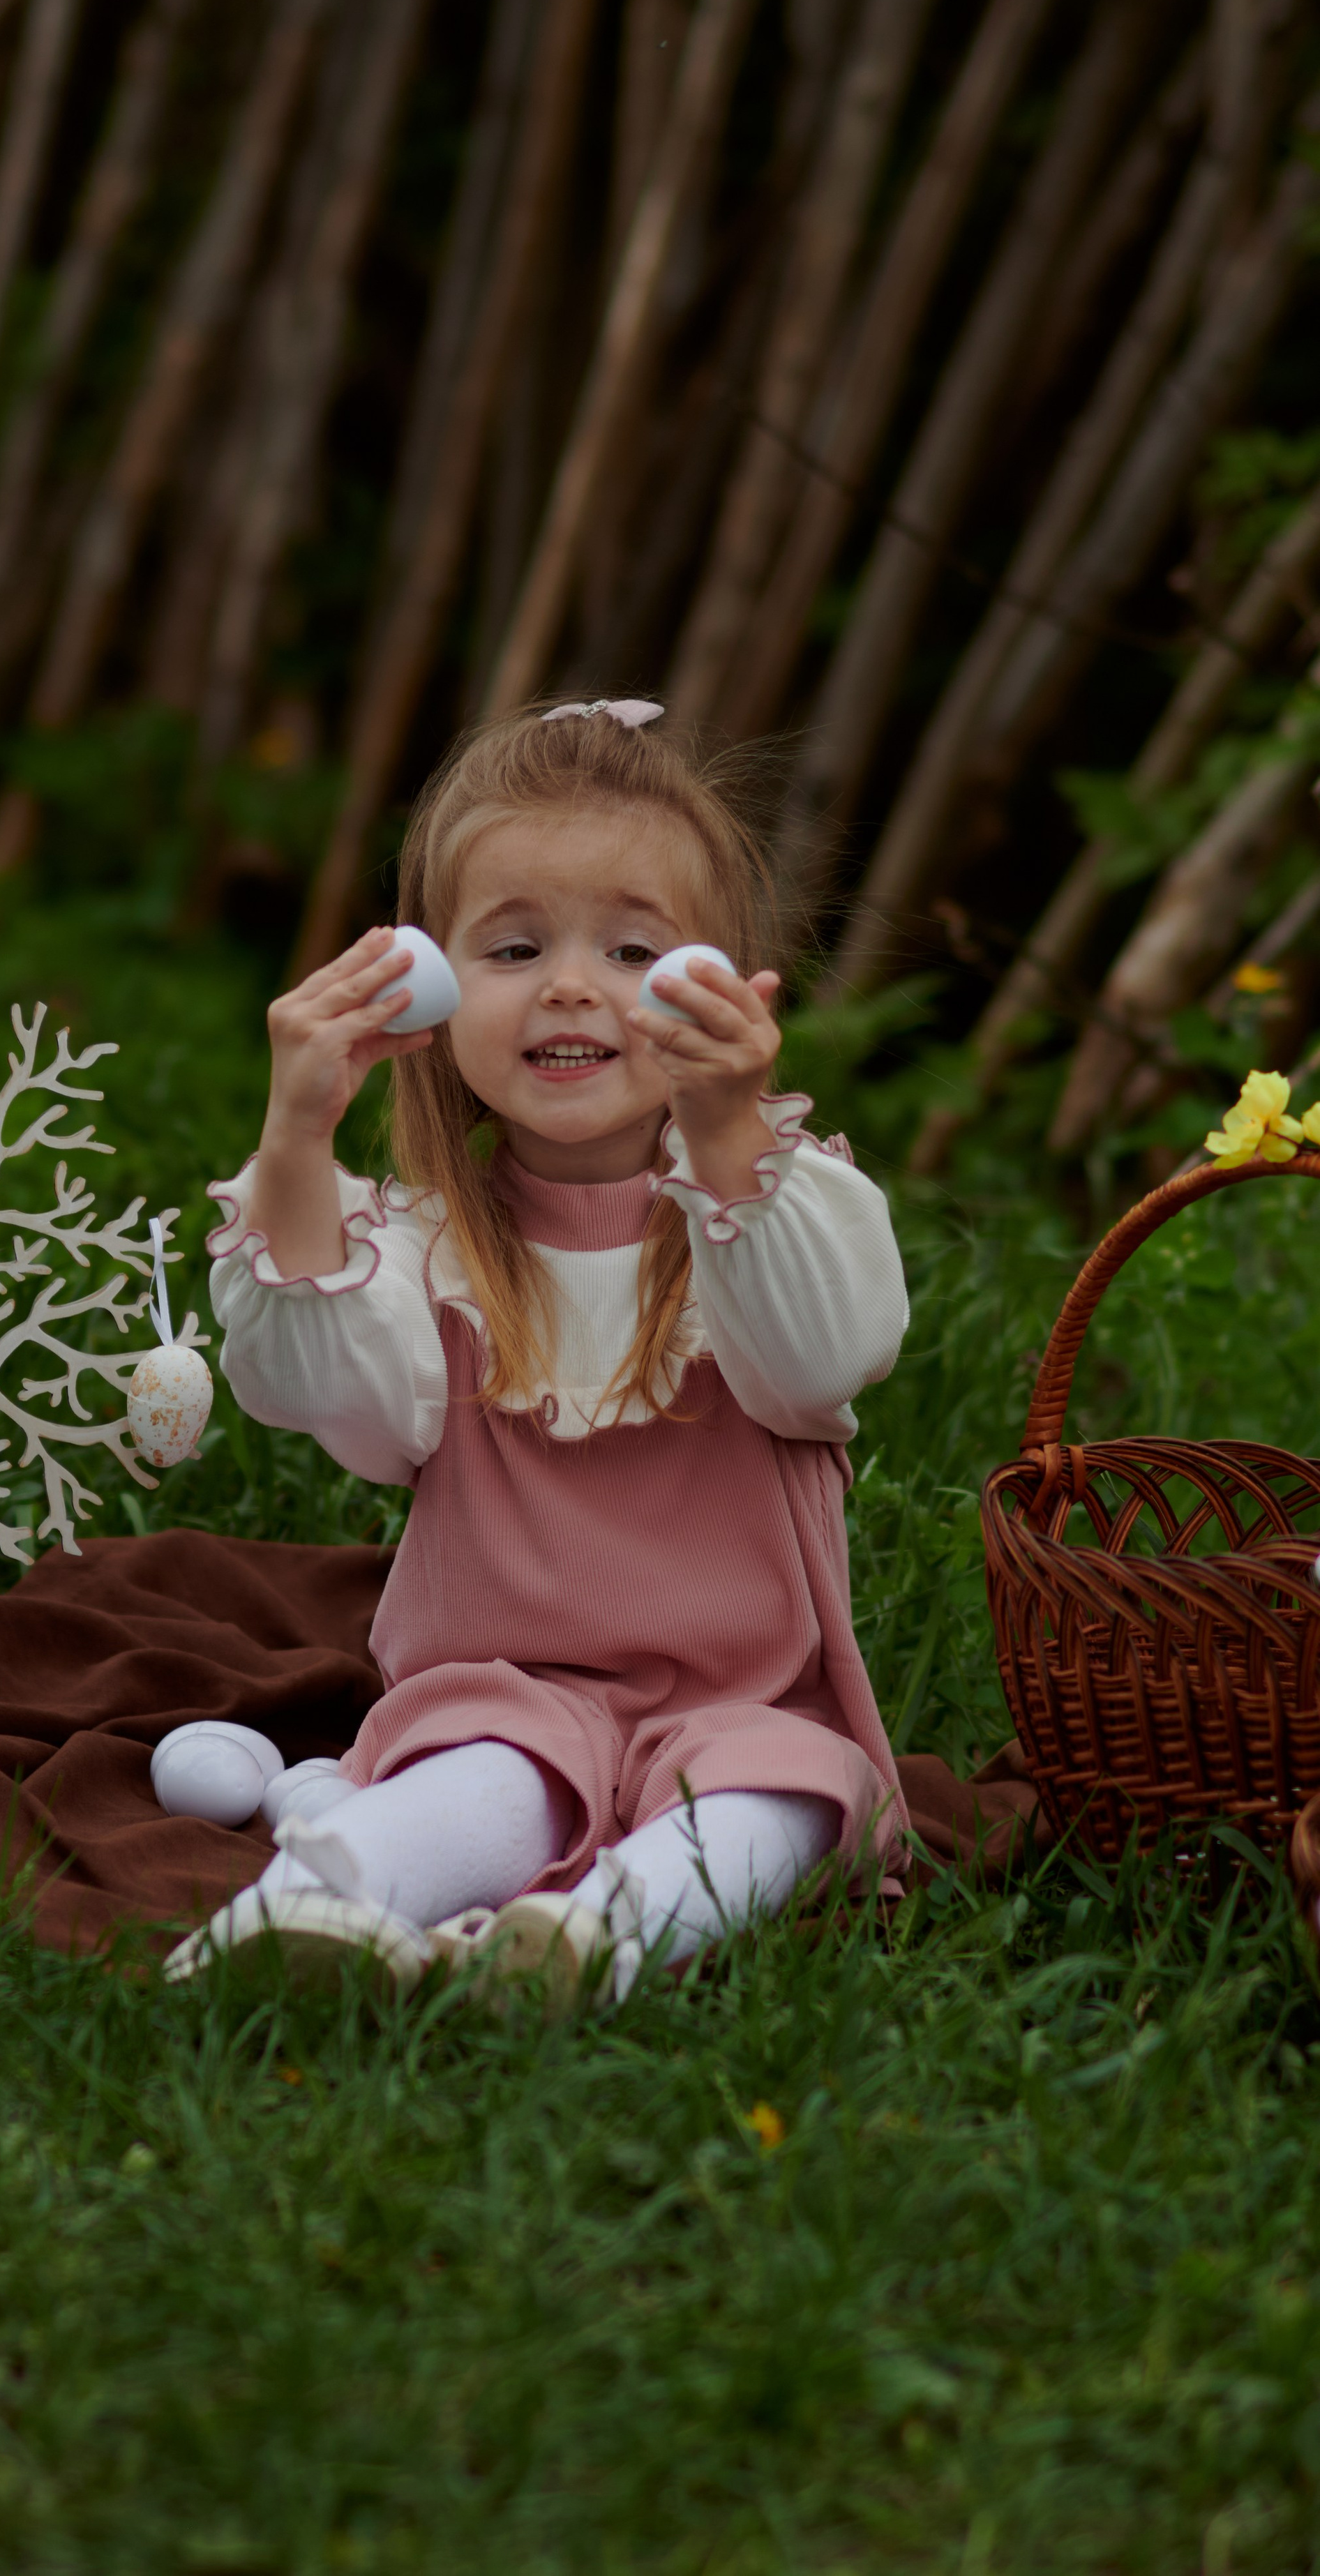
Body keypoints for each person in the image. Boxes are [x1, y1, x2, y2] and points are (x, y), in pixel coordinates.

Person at [167, 700, 909, 2005]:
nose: (569, 985)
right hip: (504, 1694)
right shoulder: (421, 1249)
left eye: (633, 949)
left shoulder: (776, 1210)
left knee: (781, 1805)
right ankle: (304, 1913)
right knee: (478, 1786)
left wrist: (728, 1131)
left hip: (742, 1707)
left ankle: (587, 1943)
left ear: (726, 988)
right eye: (514, 948)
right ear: (429, 988)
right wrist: (297, 1142)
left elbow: (823, 1363)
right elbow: (330, 1408)